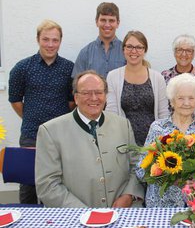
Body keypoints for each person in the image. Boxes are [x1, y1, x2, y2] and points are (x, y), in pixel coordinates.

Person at [35, 70, 144, 207]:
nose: (93, 98)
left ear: (105, 96)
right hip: (75, 217)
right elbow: (48, 185)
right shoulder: (50, 131)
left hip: (123, 212)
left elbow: (137, 166)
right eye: (86, 93)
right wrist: (83, 213)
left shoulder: (123, 124)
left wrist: (129, 196)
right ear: (75, 98)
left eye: (99, 92)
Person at [8, 19, 74, 204]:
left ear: (60, 41)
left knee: (59, 183)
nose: (50, 44)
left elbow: (71, 102)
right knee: (29, 184)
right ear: (38, 39)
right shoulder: (22, 68)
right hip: (31, 134)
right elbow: (15, 100)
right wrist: (31, 117)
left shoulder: (69, 68)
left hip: (62, 135)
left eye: (55, 40)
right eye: (46, 39)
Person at [136, 73, 195, 207]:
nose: (186, 103)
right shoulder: (158, 128)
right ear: (172, 101)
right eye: (180, 98)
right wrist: (169, 178)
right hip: (162, 203)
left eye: (191, 98)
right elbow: (142, 169)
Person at [106, 30, 169, 146]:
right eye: (129, 46)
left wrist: (162, 142)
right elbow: (111, 113)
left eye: (139, 47)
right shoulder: (112, 76)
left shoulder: (157, 77)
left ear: (144, 50)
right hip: (123, 143)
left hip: (153, 144)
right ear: (123, 49)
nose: (134, 51)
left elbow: (163, 114)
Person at [72, 2, 125, 78]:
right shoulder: (85, 53)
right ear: (97, 22)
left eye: (111, 20)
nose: (107, 25)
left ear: (118, 23)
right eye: (103, 20)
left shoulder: (127, 51)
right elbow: (76, 84)